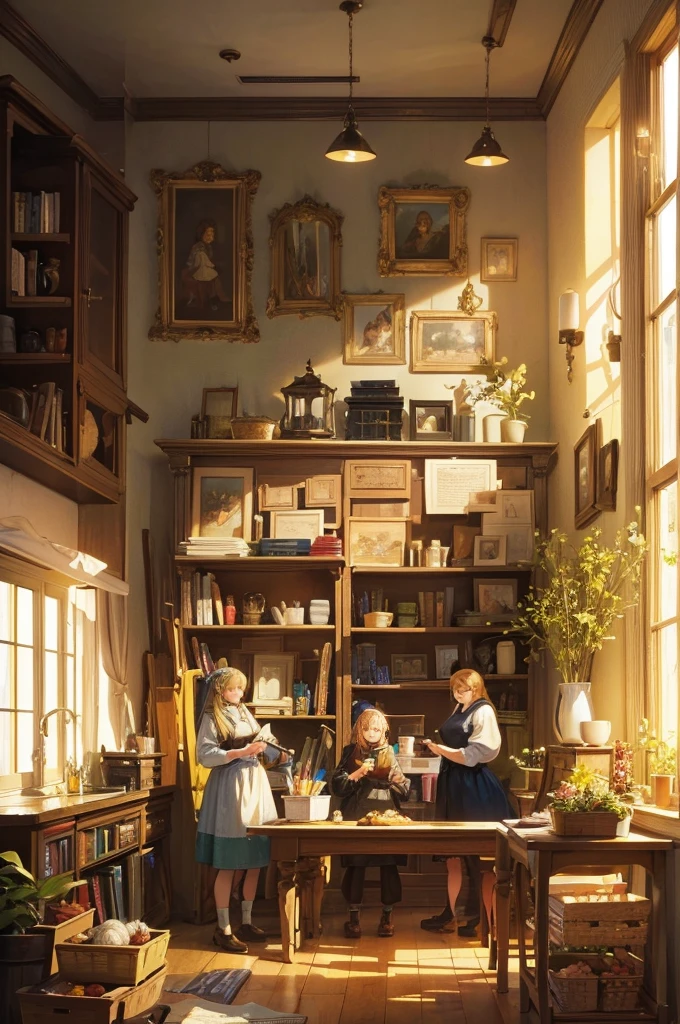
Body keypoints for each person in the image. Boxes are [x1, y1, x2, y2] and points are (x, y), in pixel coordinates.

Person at [195, 666, 286, 953]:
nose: (238, 693)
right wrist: (240, 752)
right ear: (219, 689)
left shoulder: (244, 712)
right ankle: (223, 927)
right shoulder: (212, 717)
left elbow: (260, 743)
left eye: (240, 688)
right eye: (232, 688)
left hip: (254, 783)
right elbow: (205, 754)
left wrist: (271, 749)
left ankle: (246, 920)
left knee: (255, 857)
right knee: (229, 859)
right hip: (230, 787)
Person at [420, 668, 513, 936]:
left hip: (475, 788)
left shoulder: (483, 711)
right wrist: (441, 751)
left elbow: (475, 755)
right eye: (455, 689)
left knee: (480, 857)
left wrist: (441, 750)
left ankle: (485, 920)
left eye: (464, 689)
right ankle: (452, 913)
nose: (458, 693)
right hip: (455, 785)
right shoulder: (460, 709)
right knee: (454, 853)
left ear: (476, 689)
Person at [330, 709, 410, 938]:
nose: (372, 733)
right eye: (367, 728)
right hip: (357, 818)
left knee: (389, 865)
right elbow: (337, 786)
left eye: (377, 729)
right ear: (359, 730)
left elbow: (404, 790)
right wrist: (358, 773)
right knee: (356, 865)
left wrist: (392, 780)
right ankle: (353, 916)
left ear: (384, 731)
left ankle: (387, 916)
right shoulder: (350, 752)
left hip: (387, 817)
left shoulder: (390, 754)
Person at [181, 220, 231, 313]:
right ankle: (212, 299)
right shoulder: (198, 248)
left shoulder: (208, 247)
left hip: (203, 268)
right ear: (201, 234)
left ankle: (215, 298)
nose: (211, 238)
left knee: (214, 278)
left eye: (212, 235)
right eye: (208, 235)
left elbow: (209, 261)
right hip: (195, 269)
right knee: (212, 277)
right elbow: (199, 262)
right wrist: (213, 266)